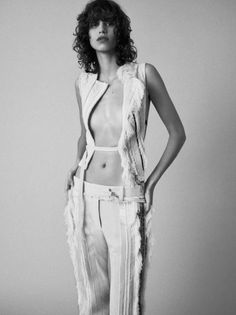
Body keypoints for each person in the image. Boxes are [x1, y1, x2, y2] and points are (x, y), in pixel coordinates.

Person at [64, 0, 186, 314]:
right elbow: (84, 136)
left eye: (108, 22)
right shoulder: (83, 83)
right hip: (85, 196)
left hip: (125, 198)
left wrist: (152, 182)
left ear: (120, 30)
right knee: (92, 298)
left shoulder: (143, 76)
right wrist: (75, 168)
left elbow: (177, 133)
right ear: (86, 35)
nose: (101, 29)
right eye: (94, 24)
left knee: (126, 300)